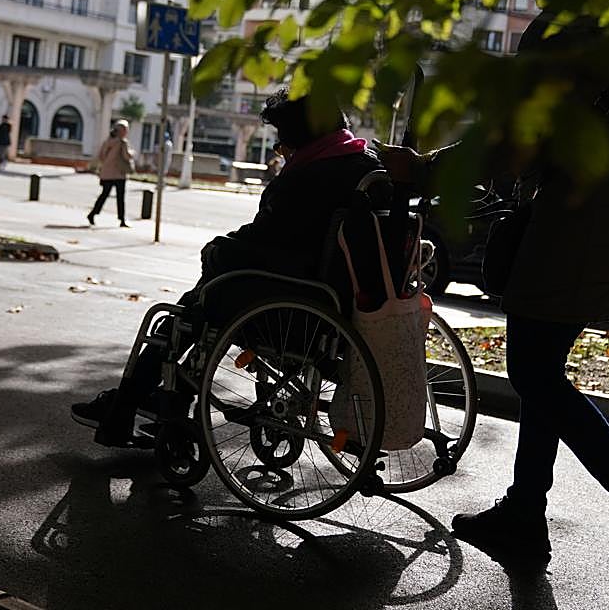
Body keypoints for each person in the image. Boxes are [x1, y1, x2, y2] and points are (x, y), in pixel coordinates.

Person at [379, 11, 609, 599]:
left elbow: (523, 136)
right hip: (596, 208)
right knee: (540, 371)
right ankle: (526, 515)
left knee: (532, 370)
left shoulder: (578, 28)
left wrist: (427, 168)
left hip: (578, 220)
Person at [72, 89, 380, 445]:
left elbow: (266, 240)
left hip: (292, 305)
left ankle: (123, 404)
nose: (283, 152)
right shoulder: (366, 166)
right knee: (206, 297)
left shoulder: (306, 178)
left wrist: (217, 251)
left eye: (282, 145)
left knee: (185, 312)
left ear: (302, 139)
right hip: (336, 300)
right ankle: (156, 398)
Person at [88, 120, 136, 227]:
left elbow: (101, 156)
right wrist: (132, 153)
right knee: (120, 198)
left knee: (104, 195)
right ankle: (122, 219)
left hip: (106, 173)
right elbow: (127, 156)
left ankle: (93, 213)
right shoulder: (122, 142)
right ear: (122, 131)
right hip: (119, 173)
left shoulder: (107, 141)